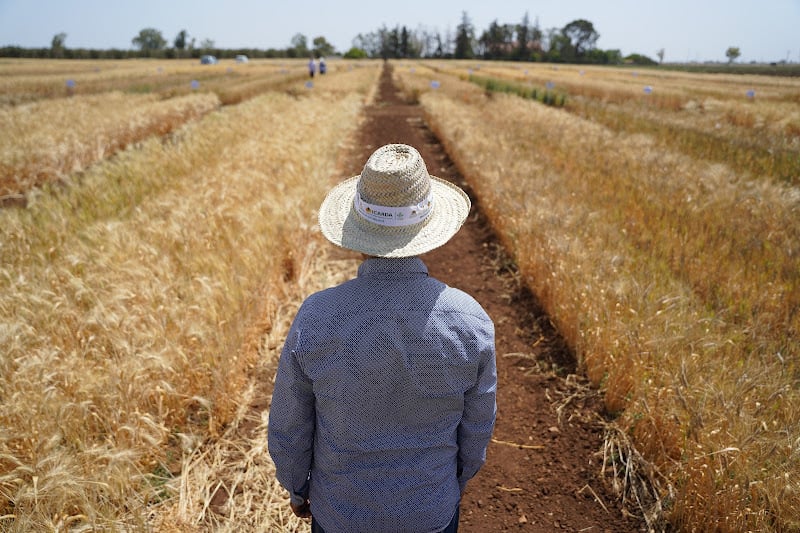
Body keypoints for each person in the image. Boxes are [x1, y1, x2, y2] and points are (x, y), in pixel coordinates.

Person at [268, 143, 497, 533]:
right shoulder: (470, 321)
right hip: (431, 512)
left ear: (357, 230)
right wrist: (452, 485)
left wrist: (296, 488)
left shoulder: (317, 317)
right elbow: (477, 428)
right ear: (429, 229)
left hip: (340, 513)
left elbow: (290, 426)